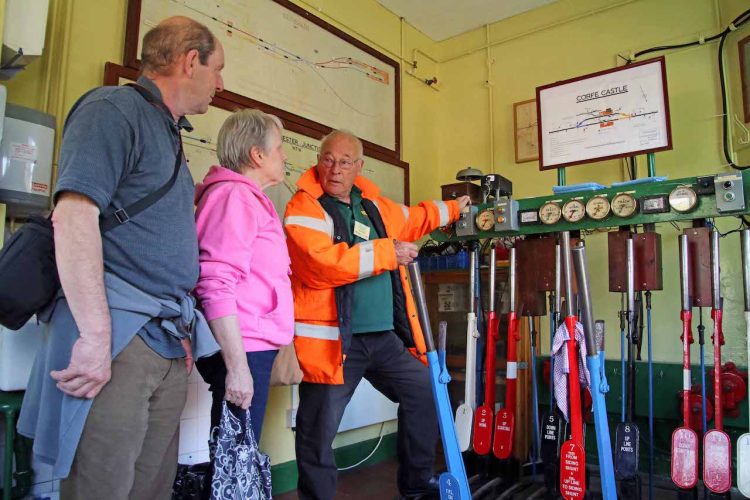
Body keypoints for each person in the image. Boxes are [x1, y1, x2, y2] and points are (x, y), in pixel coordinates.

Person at [17, 16, 225, 499]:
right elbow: (73, 217)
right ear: (190, 61)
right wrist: (93, 337)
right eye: (217, 69)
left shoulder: (166, 128)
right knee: (102, 485)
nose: (220, 84)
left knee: (151, 488)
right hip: (118, 338)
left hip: (167, 339)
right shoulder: (112, 110)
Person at [283, 129, 470, 500]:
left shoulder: (373, 206)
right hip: (335, 343)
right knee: (317, 429)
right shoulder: (304, 207)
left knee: (427, 391)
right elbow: (320, 264)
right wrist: (388, 252)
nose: (334, 169)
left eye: (345, 162)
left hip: (384, 339)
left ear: (359, 166)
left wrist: (455, 208)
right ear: (319, 161)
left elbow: (416, 218)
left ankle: (417, 486)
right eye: (328, 159)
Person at [194, 108, 294, 455]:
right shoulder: (233, 197)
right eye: (279, 147)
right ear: (257, 154)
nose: (284, 155)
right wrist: (237, 368)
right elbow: (215, 281)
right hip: (243, 347)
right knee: (235, 462)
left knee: (238, 459)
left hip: (253, 344)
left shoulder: (249, 199)